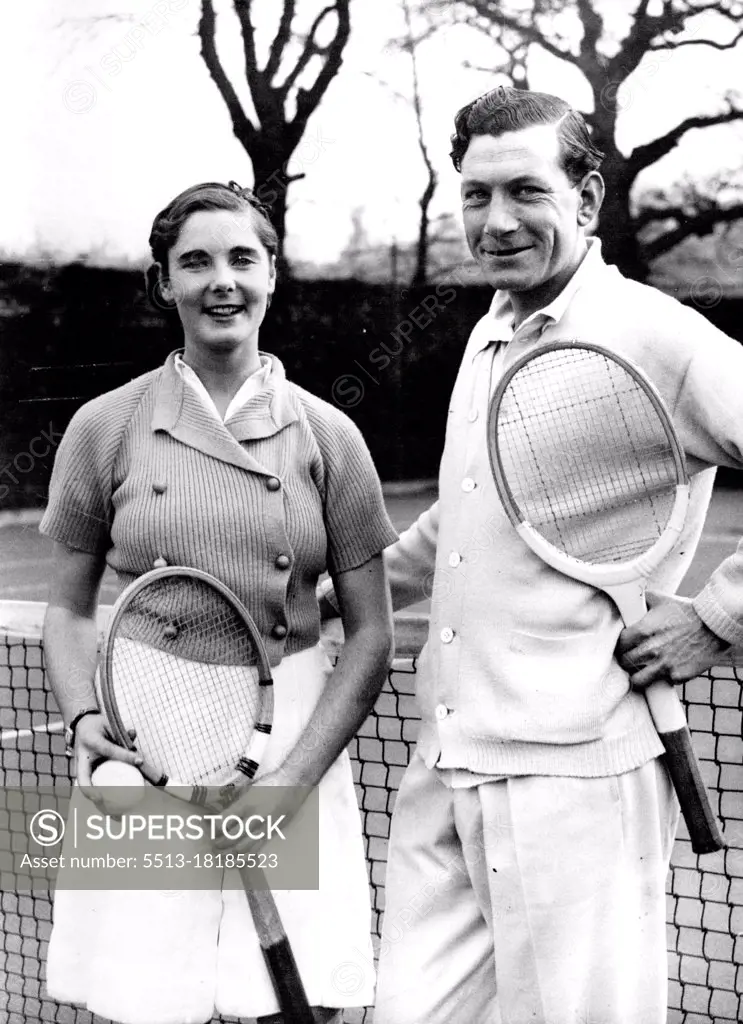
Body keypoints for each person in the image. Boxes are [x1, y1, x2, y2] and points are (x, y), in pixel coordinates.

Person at [319, 87, 743, 1024]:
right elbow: (467, 529)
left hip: (576, 779)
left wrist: (717, 621)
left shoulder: (659, 335)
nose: (496, 221)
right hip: (446, 757)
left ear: (586, 200)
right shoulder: (491, 330)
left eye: (524, 191)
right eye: (475, 195)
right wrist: (330, 594)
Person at [40, 180, 396, 1024]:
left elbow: (373, 634)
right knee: (145, 996)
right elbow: (67, 611)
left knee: (286, 1001)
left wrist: (292, 783)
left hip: (292, 732)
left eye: (242, 258)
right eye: (193, 262)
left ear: (274, 274)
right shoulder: (104, 424)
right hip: (145, 730)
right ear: (163, 282)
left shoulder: (329, 437)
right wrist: (86, 718)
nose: (220, 281)